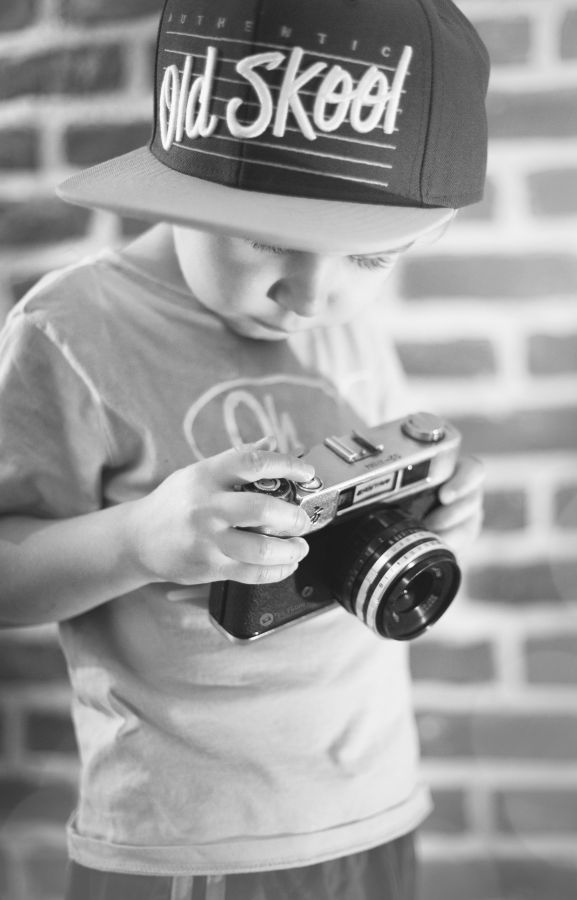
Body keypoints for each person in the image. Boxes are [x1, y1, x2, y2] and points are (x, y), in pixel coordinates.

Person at [0, 0, 489, 897]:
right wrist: (138, 539)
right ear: (173, 185)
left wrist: (444, 505)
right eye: (271, 240)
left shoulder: (349, 323)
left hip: (375, 805)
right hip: (183, 845)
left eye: (370, 258)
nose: (312, 294)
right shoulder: (72, 330)